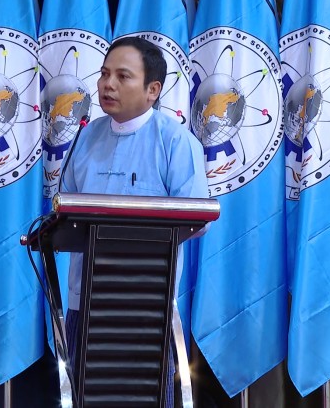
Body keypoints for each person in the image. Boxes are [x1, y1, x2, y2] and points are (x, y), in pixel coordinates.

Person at [61, 36, 208, 406]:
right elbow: (64, 212)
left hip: (146, 305)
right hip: (84, 304)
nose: (107, 84)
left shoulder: (176, 142)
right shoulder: (85, 137)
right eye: (104, 74)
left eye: (122, 76)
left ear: (152, 90)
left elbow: (198, 219)